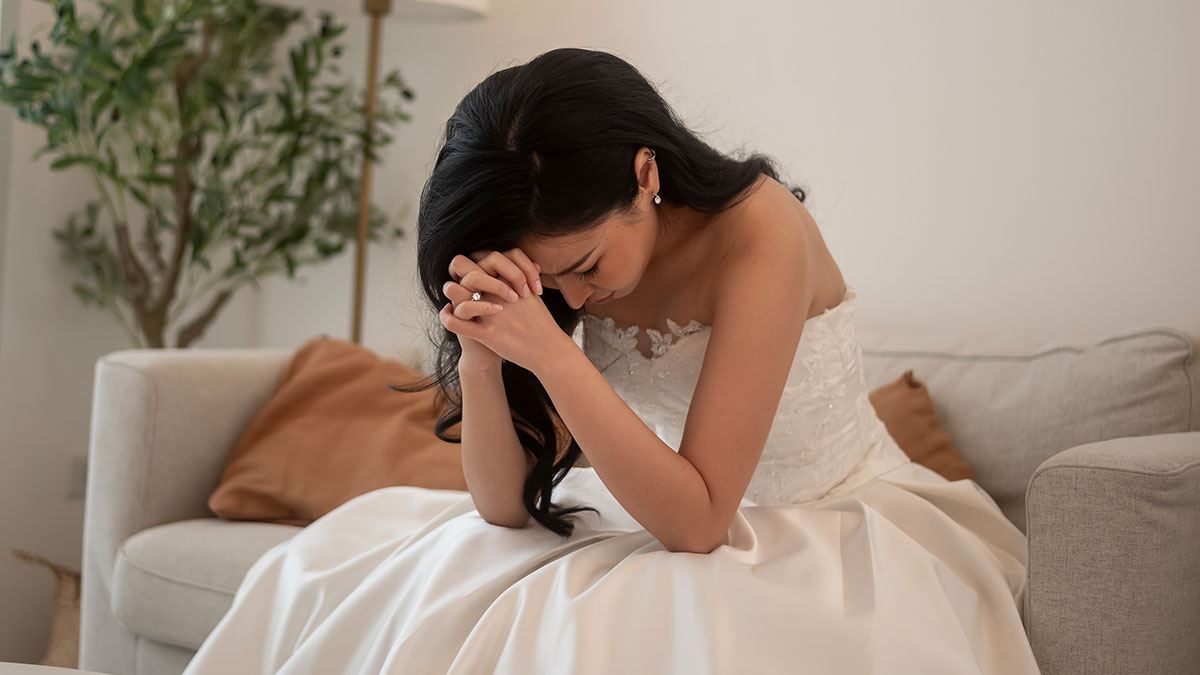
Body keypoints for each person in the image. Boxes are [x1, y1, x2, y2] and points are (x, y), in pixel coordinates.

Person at [181, 47, 1040, 674]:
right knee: (351, 573)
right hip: (642, 506)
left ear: (645, 173)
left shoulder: (761, 230)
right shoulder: (559, 266)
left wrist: (554, 354)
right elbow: (502, 507)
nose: (577, 299)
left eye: (586, 267)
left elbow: (702, 519)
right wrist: (483, 358)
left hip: (811, 522)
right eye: (550, 281)